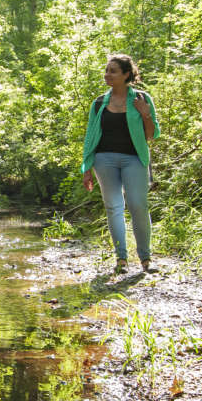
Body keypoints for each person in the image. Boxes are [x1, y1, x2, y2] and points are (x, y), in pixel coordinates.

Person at [81, 54, 160, 274]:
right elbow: (90, 137)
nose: (107, 75)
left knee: (138, 206)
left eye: (113, 71)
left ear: (126, 74)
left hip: (134, 158)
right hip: (103, 160)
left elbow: (151, 135)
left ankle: (145, 259)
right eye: (106, 70)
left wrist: (145, 115)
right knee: (114, 207)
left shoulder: (142, 99)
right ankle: (121, 260)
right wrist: (86, 168)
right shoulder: (98, 103)